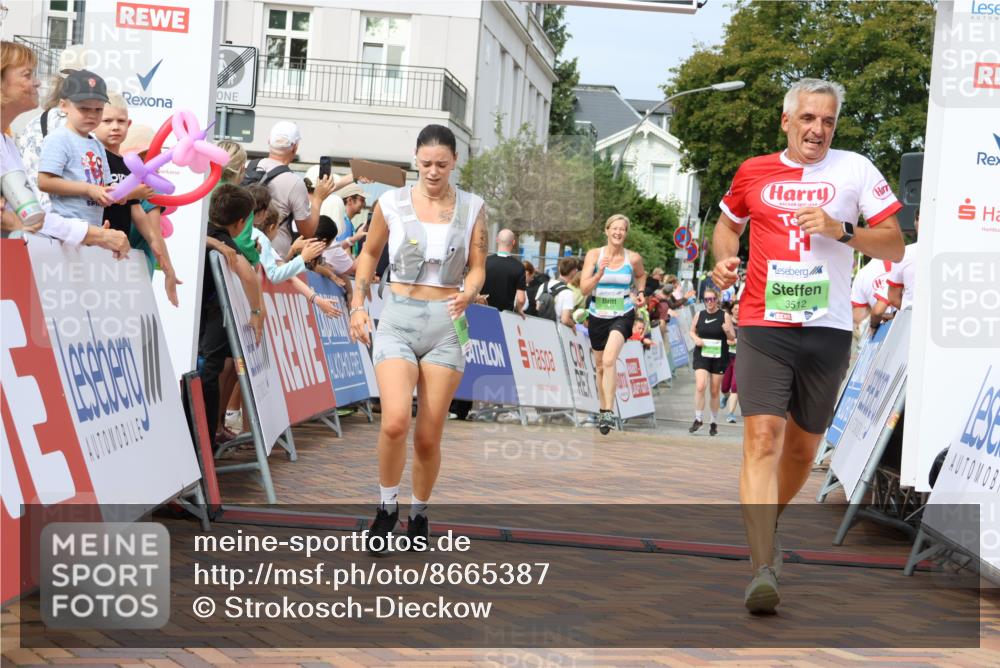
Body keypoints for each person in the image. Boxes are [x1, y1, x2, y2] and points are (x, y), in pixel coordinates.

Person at [711, 78, 904, 613]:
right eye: (808, 119)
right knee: (762, 439)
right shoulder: (753, 171)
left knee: (801, 450)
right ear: (786, 121)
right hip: (763, 322)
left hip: (828, 328)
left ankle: (766, 526)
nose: (818, 129)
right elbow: (727, 227)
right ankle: (762, 567)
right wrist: (723, 259)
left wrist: (843, 230)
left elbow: (894, 243)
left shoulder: (856, 169)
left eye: (828, 121)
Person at [348, 124, 487, 553]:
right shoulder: (390, 202)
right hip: (399, 318)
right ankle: (386, 506)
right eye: (426, 163)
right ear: (415, 159)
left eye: (441, 164)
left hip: (447, 324)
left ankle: (420, 512)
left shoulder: (473, 207)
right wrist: (357, 303)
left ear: (455, 161)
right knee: (394, 421)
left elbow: (478, 265)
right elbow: (369, 253)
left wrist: (469, 291)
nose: (433, 171)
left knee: (428, 435)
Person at [1, 41, 125, 253]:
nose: (37, 82)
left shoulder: (8, 143)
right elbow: (28, 214)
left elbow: (33, 216)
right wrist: (96, 234)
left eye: (97, 108)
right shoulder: (56, 135)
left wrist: (95, 234)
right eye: (27, 75)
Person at [95, 92, 181, 304]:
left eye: (120, 121)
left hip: (121, 255)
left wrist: (167, 267)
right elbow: (98, 194)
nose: (115, 127)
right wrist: (136, 193)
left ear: (128, 124)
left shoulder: (128, 169)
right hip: (94, 248)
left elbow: (142, 219)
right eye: (107, 121)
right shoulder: (92, 159)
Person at [199, 184, 265, 445]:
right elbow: (248, 275)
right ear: (240, 223)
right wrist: (256, 312)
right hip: (209, 316)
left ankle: (209, 433)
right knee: (210, 370)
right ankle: (206, 438)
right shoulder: (224, 241)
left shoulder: (200, 230)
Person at [580, 213, 647, 435]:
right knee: (600, 366)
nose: (618, 232)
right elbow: (584, 289)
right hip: (597, 315)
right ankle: (603, 409)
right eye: (614, 228)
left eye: (622, 229)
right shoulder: (594, 255)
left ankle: (608, 411)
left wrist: (640, 292)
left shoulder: (633, 258)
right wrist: (598, 274)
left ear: (626, 233)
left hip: (623, 314)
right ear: (607, 231)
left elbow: (641, 275)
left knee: (609, 359)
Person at [245, 120, 342, 256]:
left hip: (244, 245)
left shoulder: (248, 167)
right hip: (272, 254)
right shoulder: (294, 182)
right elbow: (308, 231)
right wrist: (318, 199)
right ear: (295, 147)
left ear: (269, 141)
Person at [688, 289, 736, 436]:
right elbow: (691, 331)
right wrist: (696, 339)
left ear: (717, 299)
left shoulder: (724, 315)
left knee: (714, 391)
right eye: (706, 299)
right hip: (702, 355)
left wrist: (727, 331)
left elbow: (732, 338)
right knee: (700, 386)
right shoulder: (699, 314)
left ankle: (713, 422)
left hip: (719, 356)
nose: (709, 302)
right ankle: (698, 419)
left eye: (712, 299)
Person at [481, 229, 526, 314]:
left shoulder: (484, 261)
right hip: (505, 315)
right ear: (513, 242)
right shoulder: (519, 267)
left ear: (497, 240)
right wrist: (518, 309)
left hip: (482, 310)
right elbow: (521, 299)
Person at [850, 256, 892, 328]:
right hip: (907, 321)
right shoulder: (902, 261)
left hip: (881, 328)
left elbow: (858, 318)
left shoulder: (861, 275)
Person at [721, 301, 741, 423]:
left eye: (740, 309)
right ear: (732, 310)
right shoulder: (727, 323)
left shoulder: (746, 324)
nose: (738, 311)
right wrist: (727, 341)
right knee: (724, 387)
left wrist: (738, 341)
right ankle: (725, 396)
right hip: (727, 358)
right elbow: (721, 338)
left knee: (735, 386)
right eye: (736, 309)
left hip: (741, 358)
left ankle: (731, 413)